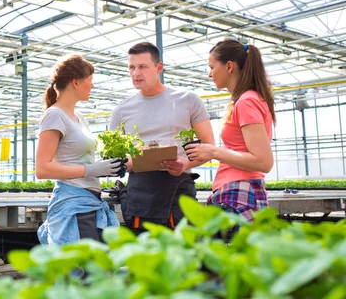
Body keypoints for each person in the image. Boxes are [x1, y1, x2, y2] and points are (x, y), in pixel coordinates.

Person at [110, 42, 214, 233]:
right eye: (131, 67)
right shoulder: (121, 110)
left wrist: (185, 163)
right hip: (141, 195)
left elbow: (209, 147)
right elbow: (112, 162)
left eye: (142, 67)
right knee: (145, 259)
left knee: (183, 257)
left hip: (178, 190)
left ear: (159, 67)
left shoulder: (188, 100)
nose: (135, 73)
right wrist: (133, 161)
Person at [36, 54, 124, 245]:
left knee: (96, 269)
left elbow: (78, 158)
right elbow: (42, 169)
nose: (92, 85)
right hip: (74, 202)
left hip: (89, 202)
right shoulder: (54, 115)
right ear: (75, 82)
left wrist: (106, 165)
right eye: (90, 80)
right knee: (82, 271)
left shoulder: (78, 117)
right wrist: (90, 170)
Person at [184, 39, 275, 221]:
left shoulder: (247, 101)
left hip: (240, 191)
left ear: (229, 66)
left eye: (212, 67)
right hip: (237, 190)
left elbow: (264, 162)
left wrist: (214, 151)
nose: (210, 74)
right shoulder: (243, 100)